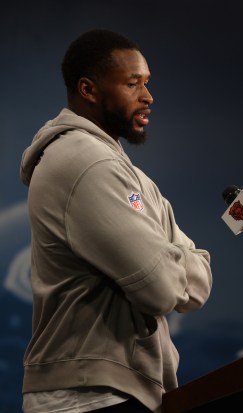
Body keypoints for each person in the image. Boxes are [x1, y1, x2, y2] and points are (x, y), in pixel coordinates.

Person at [19, 29, 213, 413]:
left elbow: (199, 282)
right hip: (87, 397)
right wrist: (176, 259)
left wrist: (173, 261)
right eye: (132, 84)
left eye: (147, 83)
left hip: (110, 391)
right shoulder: (87, 164)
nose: (148, 97)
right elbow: (160, 288)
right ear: (89, 90)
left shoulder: (129, 175)